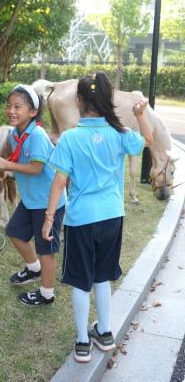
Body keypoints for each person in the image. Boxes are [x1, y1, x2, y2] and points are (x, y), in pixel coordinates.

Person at [42, 73, 153, 362]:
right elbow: (146, 141)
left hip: (81, 220)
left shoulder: (69, 138)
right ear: (107, 101)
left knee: (81, 282)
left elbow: (58, 183)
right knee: (102, 278)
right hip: (113, 217)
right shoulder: (119, 133)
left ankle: (82, 341)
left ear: (78, 101)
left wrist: (49, 218)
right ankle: (104, 332)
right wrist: (140, 115)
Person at [0, 84, 66, 306]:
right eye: (9, 105)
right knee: (14, 231)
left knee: (46, 249)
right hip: (32, 200)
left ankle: (46, 294)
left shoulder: (37, 135)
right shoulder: (16, 133)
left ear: (33, 112)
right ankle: (33, 268)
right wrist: (3, 166)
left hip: (47, 202)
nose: (11, 110)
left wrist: (7, 164)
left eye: (17, 107)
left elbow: (36, 168)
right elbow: (20, 159)